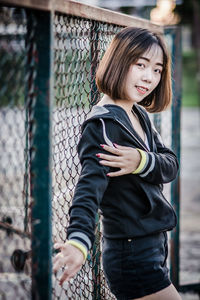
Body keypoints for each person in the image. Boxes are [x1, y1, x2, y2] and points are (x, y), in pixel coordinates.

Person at [53, 27, 182, 300]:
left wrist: (141, 161)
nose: (150, 77)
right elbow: (88, 188)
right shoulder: (103, 125)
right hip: (132, 254)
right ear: (118, 61)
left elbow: (170, 164)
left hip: (153, 245)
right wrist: (78, 241)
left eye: (157, 70)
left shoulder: (137, 113)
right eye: (141, 65)